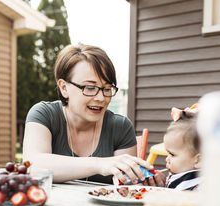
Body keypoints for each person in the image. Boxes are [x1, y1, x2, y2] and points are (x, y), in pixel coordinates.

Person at [22, 44, 152, 184]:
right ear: (64, 88)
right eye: (90, 88)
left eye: (107, 88)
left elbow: (127, 186)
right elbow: (34, 166)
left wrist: (146, 180)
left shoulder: (121, 127)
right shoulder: (44, 114)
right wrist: (99, 164)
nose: (101, 98)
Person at [145, 108, 201, 190]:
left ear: (198, 160)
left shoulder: (199, 188)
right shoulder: (181, 174)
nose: (167, 159)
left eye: (172, 154)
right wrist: (162, 185)